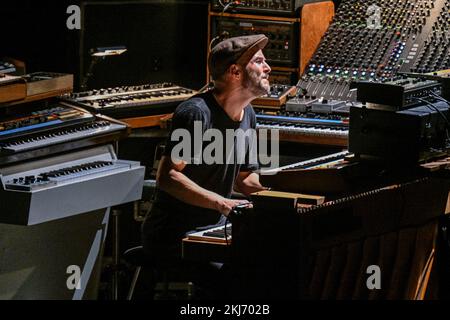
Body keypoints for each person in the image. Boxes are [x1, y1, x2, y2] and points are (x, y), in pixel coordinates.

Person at [141, 34, 272, 298]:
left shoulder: (248, 114)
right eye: (258, 61)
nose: (267, 68)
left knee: (273, 266)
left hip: (215, 228)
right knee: (237, 281)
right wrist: (223, 203)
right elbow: (168, 177)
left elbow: (244, 179)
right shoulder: (196, 113)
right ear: (235, 71)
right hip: (174, 234)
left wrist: (286, 195)